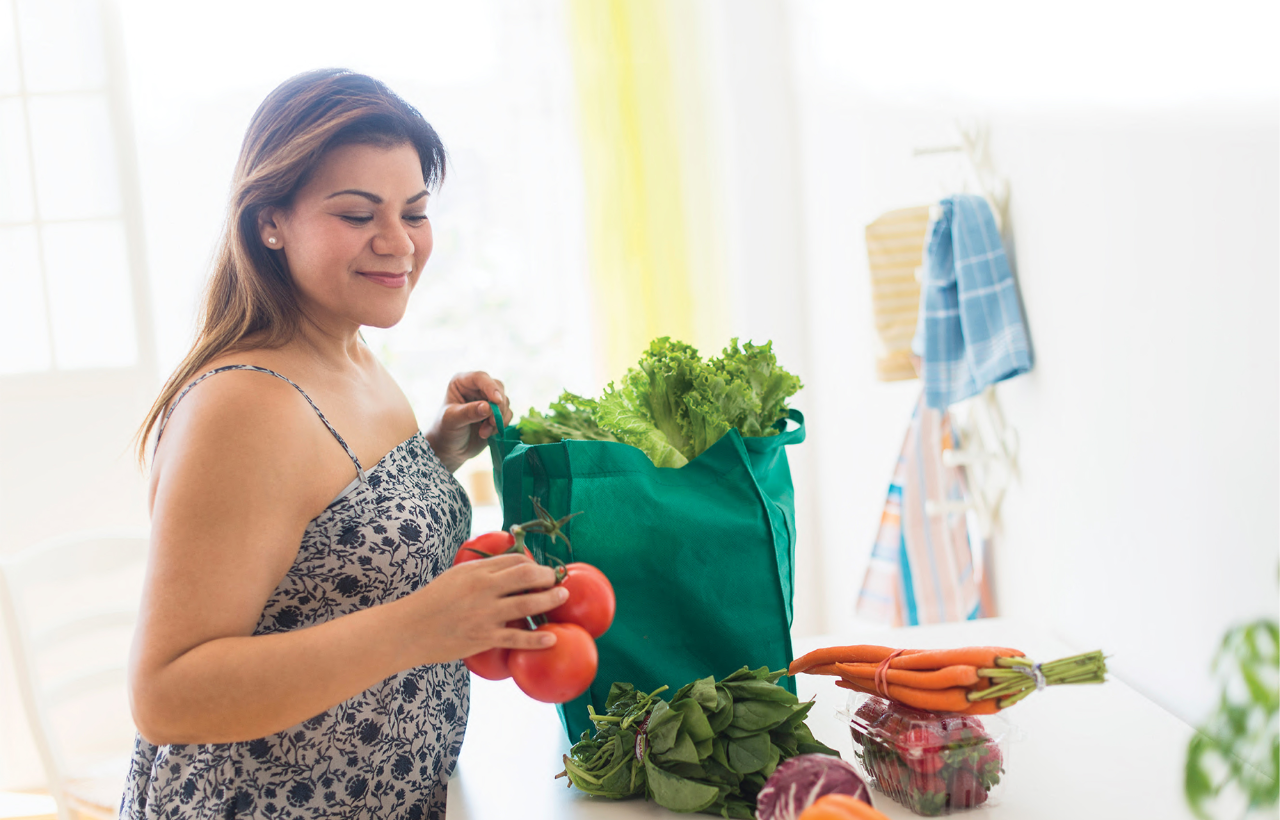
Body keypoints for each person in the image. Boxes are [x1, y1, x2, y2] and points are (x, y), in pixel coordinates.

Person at [122, 69, 564, 820]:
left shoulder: (350, 350)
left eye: (414, 212)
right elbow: (167, 694)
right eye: (358, 213)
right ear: (270, 222)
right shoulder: (242, 403)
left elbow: (325, 537)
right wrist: (424, 625)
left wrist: (435, 454)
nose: (397, 243)